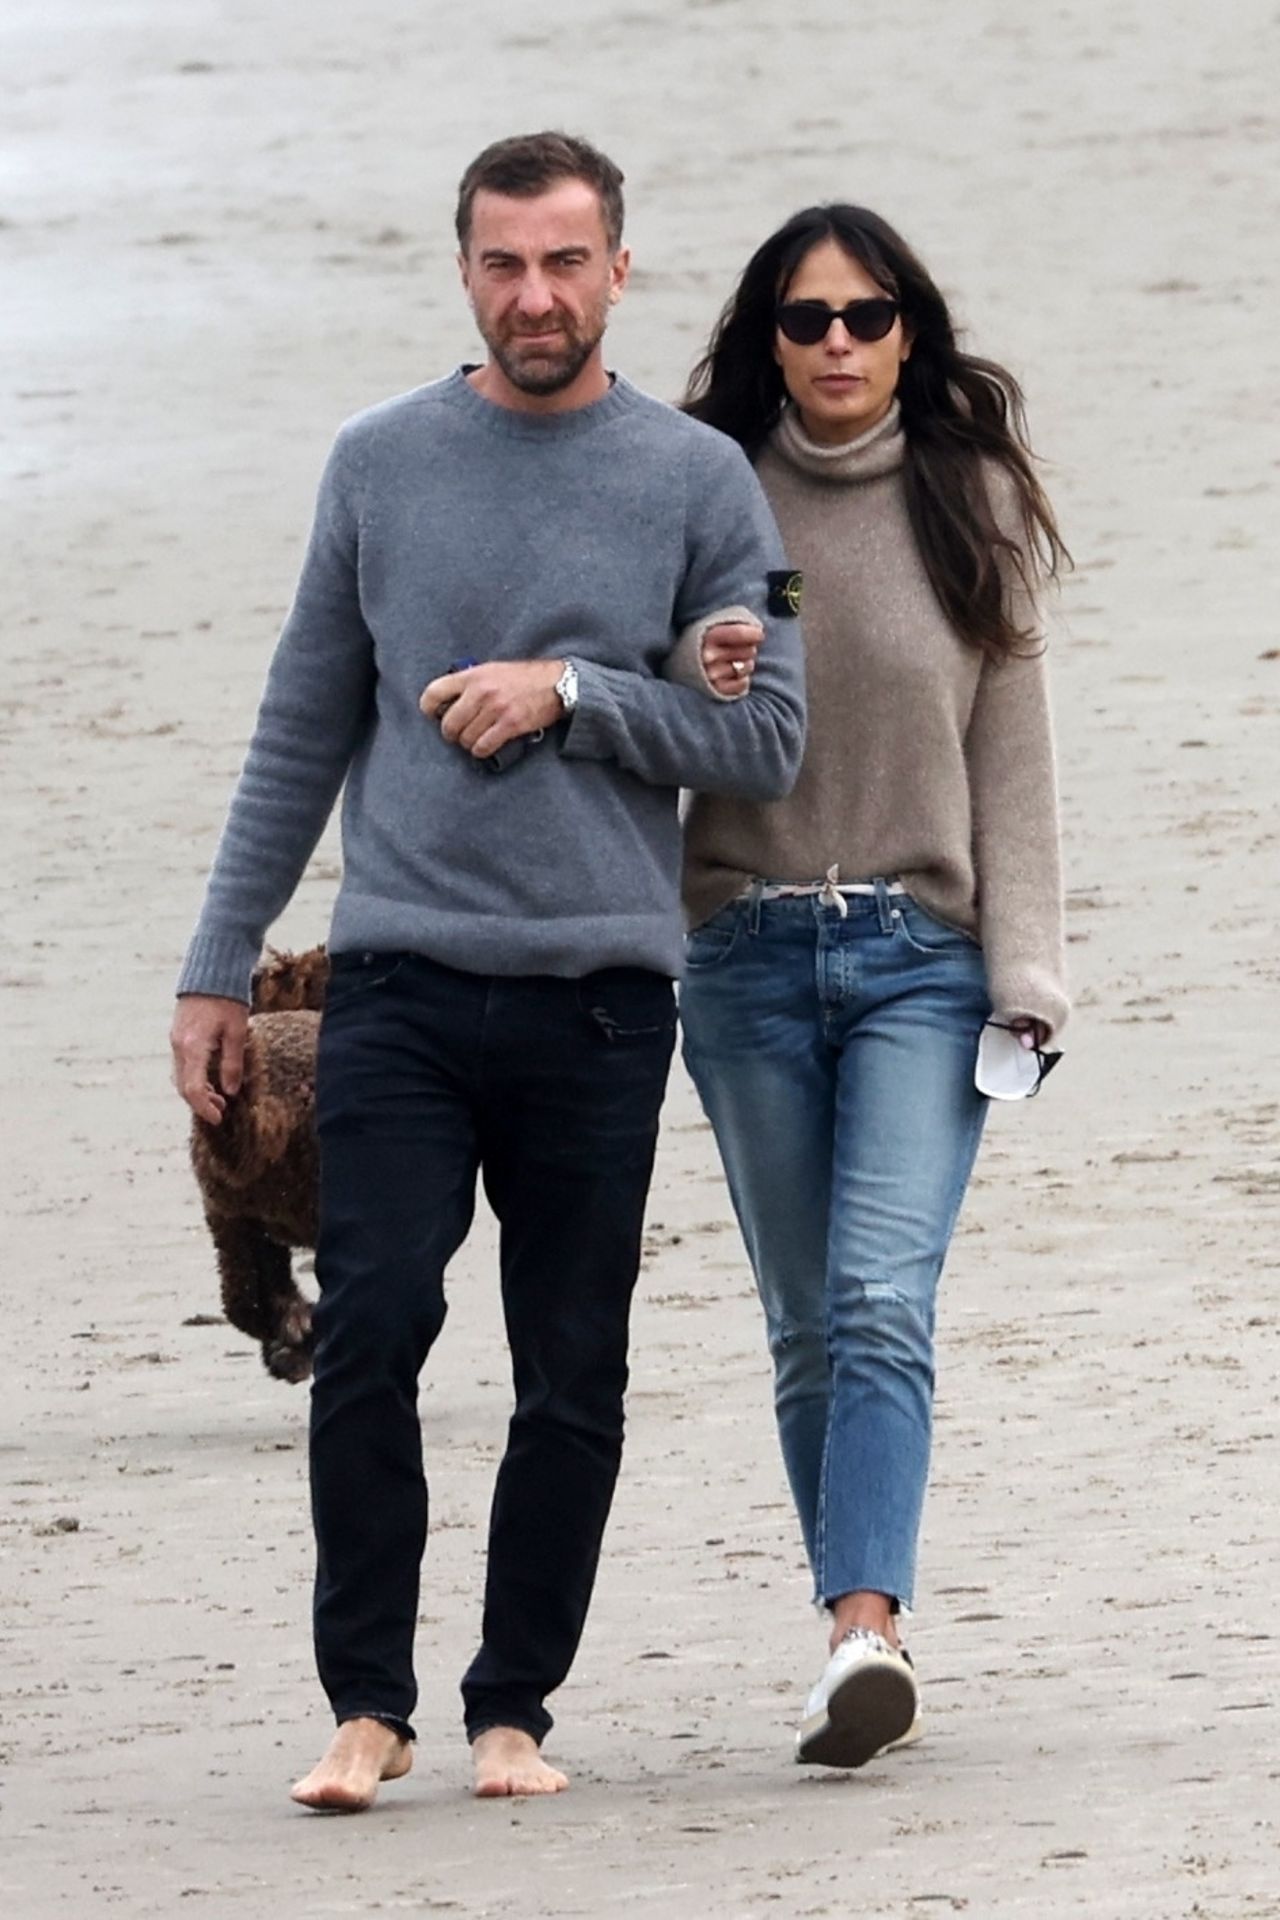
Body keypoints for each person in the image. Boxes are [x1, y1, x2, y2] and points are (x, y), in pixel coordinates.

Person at [170, 131, 805, 1812]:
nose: (538, 295)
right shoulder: (380, 462)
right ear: (465, 270)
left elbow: (766, 735)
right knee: (374, 1321)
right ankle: (364, 1707)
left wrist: (576, 694)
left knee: (568, 1366)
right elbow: (301, 725)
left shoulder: (698, 483)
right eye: (505, 264)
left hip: (601, 1000)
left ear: (619, 270)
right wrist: (214, 969)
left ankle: (511, 1708)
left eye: (567, 262)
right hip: (397, 978)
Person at [674, 203, 1070, 1768]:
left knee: (880, 1297)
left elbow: (1013, 762)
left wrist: (1028, 975)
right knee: (803, 1328)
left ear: (912, 328)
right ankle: (858, 1626)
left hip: (920, 960)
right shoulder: (706, 499)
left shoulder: (967, 501)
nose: (836, 342)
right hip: (744, 959)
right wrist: (678, 674)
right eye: (805, 316)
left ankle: (862, 1632)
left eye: (866, 312)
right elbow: (649, 740)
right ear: (766, 337)